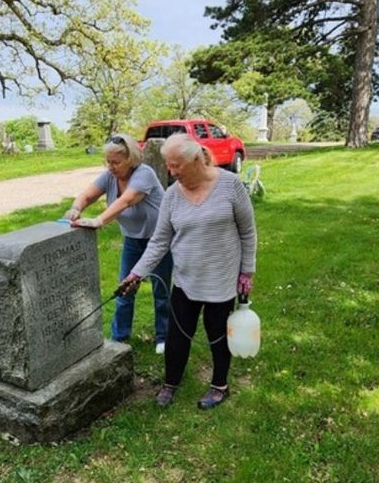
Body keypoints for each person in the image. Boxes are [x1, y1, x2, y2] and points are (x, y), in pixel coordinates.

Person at [117, 134, 257, 409]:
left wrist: (247, 271)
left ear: (195, 159)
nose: (172, 171)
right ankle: (171, 382)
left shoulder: (230, 186)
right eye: (169, 166)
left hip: (221, 276)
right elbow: (159, 241)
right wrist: (137, 273)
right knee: (177, 334)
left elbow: (248, 231)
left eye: (176, 165)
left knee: (217, 332)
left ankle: (220, 385)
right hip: (185, 278)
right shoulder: (171, 195)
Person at [67, 134, 172, 353]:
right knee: (125, 289)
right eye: (108, 162)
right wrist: (76, 208)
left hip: (159, 241)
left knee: (160, 291)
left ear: (131, 159)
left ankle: (163, 336)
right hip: (133, 240)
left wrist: (99, 220)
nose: (111, 167)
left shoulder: (145, 174)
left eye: (116, 162)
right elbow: (88, 195)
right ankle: (119, 337)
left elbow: (126, 201)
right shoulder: (109, 176)